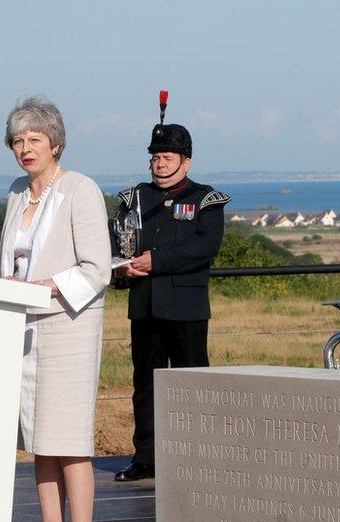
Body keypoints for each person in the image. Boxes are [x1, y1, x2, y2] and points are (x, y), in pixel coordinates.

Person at [0, 96, 112, 522]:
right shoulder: (16, 195)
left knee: (69, 445)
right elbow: (11, 268)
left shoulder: (80, 190)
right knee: (40, 448)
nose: (25, 149)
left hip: (68, 327)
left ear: (55, 143)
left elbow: (96, 269)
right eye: (18, 141)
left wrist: (44, 286)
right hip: (25, 333)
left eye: (34, 140)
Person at [112, 91, 229, 482]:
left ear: (186, 161)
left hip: (186, 310)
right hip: (144, 307)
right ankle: (145, 457)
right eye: (155, 158)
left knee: (193, 383)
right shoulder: (134, 199)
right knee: (144, 385)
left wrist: (156, 261)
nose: (160, 164)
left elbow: (204, 247)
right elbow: (118, 245)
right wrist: (122, 271)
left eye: (167, 158)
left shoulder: (205, 199)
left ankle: (198, 455)